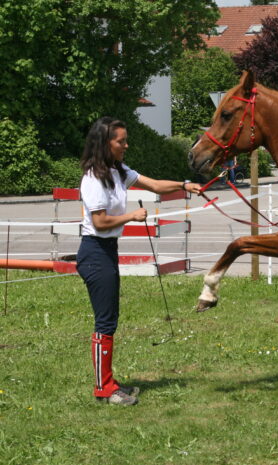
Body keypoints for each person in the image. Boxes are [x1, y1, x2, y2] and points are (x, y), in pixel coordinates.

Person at [77, 117, 201, 406]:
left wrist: (185, 185)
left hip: (106, 251)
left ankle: (109, 382)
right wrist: (131, 216)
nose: (126, 145)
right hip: (94, 252)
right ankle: (103, 388)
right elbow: (100, 221)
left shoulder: (118, 171)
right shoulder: (93, 179)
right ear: (105, 143)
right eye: (121, 141)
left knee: (110, 320)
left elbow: (156, 185)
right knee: (104, 322)